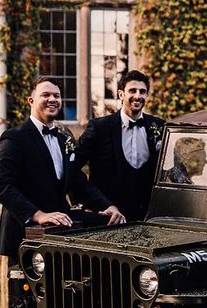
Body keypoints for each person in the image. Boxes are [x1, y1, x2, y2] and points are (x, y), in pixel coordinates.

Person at [0, 77, 124, 260]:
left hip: (59, 231)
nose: (52, 99)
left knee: (113, 222)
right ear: (31, 101)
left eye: (57, 95)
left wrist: (107, 206)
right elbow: (1, 185)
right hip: (26, 235)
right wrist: (38, 215)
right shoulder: (14, 138)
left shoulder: (63, 140)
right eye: (45, 95)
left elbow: (78, 182)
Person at [71, 70, 166, 222]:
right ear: (121, 94)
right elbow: (71, 168)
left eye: (142, 91)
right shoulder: (99, 128)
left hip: (147, 220)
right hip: (108, 218)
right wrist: (94, 203)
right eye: (132, 91)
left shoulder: (159, 126)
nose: (138, 96)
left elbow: (169, 171)